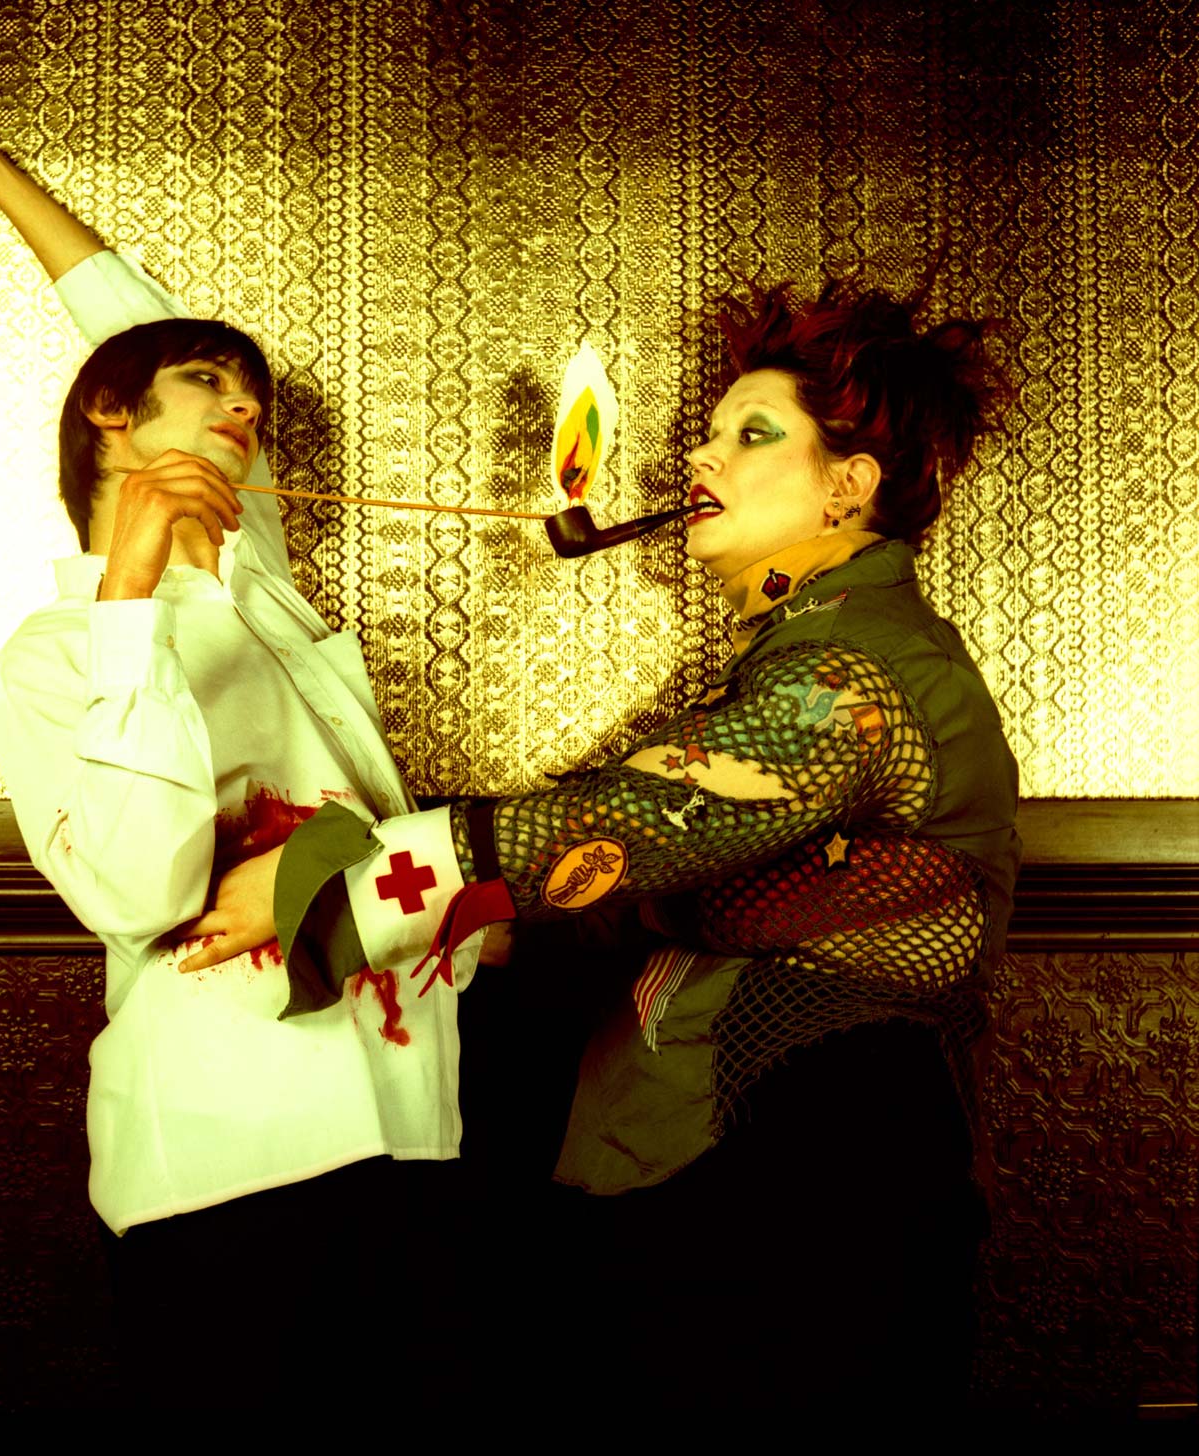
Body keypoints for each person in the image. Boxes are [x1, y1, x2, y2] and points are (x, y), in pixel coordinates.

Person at [256, 275, 1021, 1412]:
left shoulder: (855, 666)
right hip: (743, 1170)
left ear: (847, 485)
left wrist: (334, 890)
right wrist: (507, 929)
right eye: (710, 434)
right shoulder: (804, 646)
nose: (700, 458)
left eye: (752, 435)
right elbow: (679, 873)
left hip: (822, 1177)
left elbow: (635, 821)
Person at [0, 102, 489, 1406]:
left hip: (419, 1132)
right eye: (209, 386)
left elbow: (132, 324)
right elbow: (138, 892)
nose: (245, 407)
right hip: (228, 1160)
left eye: (254, 399)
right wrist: (125, 600)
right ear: (112, 416)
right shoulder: (50, 658)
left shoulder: (264, 589)